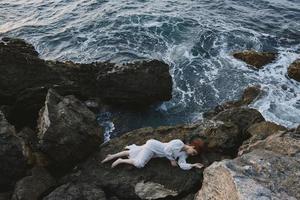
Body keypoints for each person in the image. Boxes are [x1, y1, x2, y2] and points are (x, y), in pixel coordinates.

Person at [101, 138, 205, 170]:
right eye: (194, 152)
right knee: (139, 164)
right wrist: (172, 160)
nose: (192, 154)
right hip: (153, 146)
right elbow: (167, 150)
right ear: (193, 146)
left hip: (155, 153)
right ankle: (120, 160)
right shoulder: (178, 142)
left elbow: (182, 164)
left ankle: (112, 156)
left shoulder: (184, 155)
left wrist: (193, 165)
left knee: (134, 151)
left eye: (194, 155)